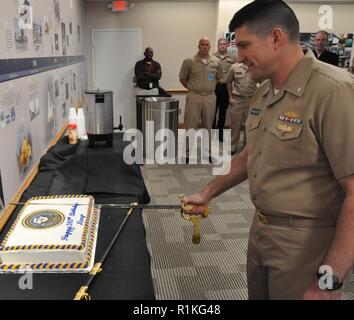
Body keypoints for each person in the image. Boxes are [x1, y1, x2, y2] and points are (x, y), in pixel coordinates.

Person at [182, 0, 354, 300]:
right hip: (260, 232)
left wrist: (331, 279)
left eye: (246, 45)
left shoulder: (333, 90)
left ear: (276, 37)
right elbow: (251, 154)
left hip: (305, 244)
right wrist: (208, 192)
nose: (240, 56)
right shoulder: (265, 90)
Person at [179, 37, 223, 162]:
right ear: (198, 46)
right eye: (202, 44)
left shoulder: (216, 62)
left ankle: (208, 153)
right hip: (194, 97)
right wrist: (192, 88)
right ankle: (187, 154)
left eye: (207, 44)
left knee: (208, 126)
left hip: (210, 97)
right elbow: (182, 78)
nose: (205, 46)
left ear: (210, 46)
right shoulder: (189, 61)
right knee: (190, 125)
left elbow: (218, 78)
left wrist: (209, 87)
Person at [226, 62, 257, 155]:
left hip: (251, 100)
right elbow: (228, 81)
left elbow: (263, 83)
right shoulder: (234, 67)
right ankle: (233, 146)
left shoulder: (255, 67)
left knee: (250, 125)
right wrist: (230, 97)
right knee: (235, 124)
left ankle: (247, 147)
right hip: (237, 99)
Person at [212, 38, 235, 142]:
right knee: (212, 111)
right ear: (217, 45)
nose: (222, 46)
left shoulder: (233, 58)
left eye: (224, 44)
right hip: (214, 87)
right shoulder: (212, 56)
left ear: (227, 45)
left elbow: (236, 71)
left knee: (222, 112)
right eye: (220, 44)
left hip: (226, 88)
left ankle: (220, 134)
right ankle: (212, 133)